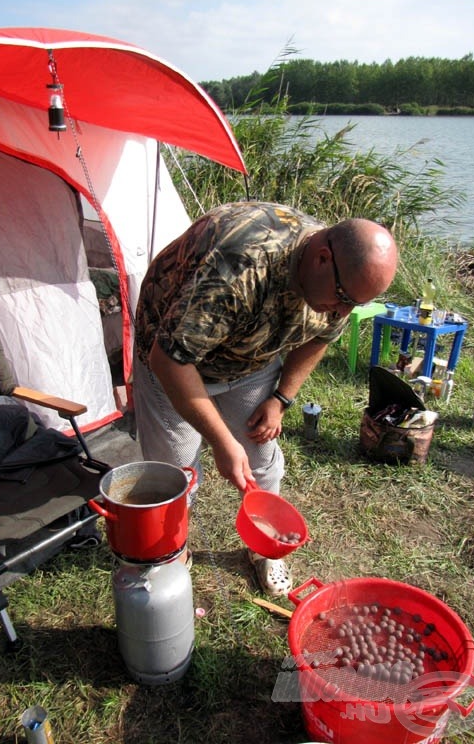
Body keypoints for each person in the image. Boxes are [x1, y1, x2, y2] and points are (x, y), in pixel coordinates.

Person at [132, 201, 398, 596]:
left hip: (252, 359)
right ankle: (171, 551)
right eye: (343, 297)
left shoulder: (340, 278)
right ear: (322, 258)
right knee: (176, 468)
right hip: (173, 356)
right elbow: (170, 361)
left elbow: (321, 337)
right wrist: (222, 442)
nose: (342, 310)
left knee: (260, 459)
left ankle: (264, 545)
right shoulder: (238, 266)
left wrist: (281, 398)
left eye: (354, 305)